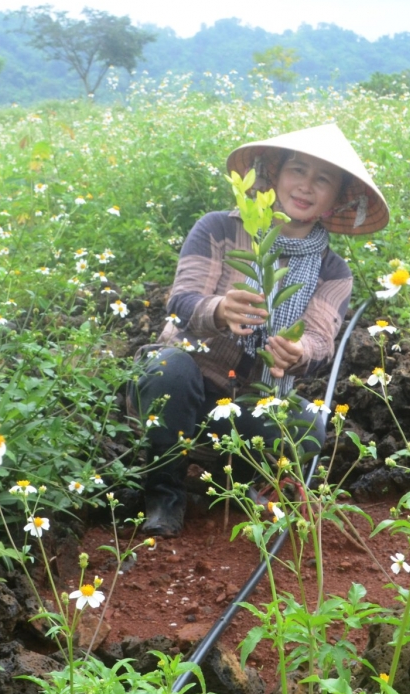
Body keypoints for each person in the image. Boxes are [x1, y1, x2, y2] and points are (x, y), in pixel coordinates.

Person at [135, 124, 389, 537]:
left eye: (322, 179)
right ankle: (165, 495)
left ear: (337, 198)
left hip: (249, 401)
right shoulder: (219, 227)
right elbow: (182, 300)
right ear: (273, 175)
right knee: (170, 368)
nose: (306, 186)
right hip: (185, 387)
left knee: (310, 425)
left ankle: (238, 474)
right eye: (298, 171)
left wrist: (297, 351)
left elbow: (322, 339)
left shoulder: (332, 270)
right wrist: (218, 309)